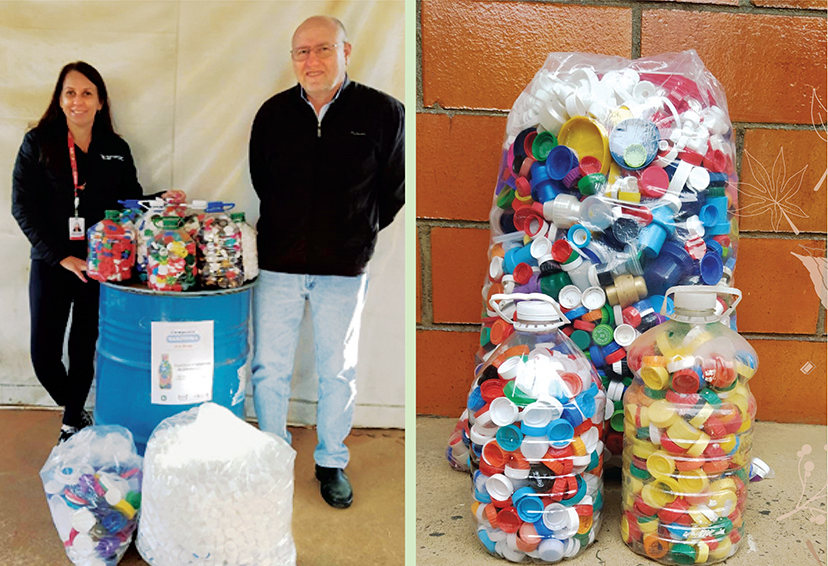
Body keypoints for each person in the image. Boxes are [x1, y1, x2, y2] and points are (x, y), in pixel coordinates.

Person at [249, 16, 404, 509]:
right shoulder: (272, 115)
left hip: (344, 268)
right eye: (301, 52)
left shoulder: (383, 112)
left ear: (346, 50)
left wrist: (354, 235)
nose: (311, 61)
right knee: (268, 369)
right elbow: (262, 181)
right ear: (293, 59)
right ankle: (273, 454)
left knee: (337, 370)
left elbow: (393, 191)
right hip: (278, 263)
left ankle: (331, 461)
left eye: (322, 50)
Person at [11, 61, 184, 444]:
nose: (78, 101)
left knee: (82, 346)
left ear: (101, 102)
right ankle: (76, 409)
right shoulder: (38, 143)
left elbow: (128, 204)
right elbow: (22, 207)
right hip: (53, 261)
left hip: (101, 264)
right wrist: (60, 256)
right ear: (59, 99)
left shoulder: (115, 149)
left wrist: (159, 201)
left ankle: (72, 423)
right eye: (70, 92)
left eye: (87, 93)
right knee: (44, 355)